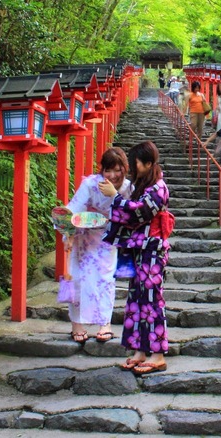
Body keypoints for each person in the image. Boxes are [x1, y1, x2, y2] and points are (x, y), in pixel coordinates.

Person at [101, 141, 171, 375]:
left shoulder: (158, 187)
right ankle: (140, 350)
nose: (133, 167)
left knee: (151, 300)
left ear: (148, 163)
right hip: (139, 249)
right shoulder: (144, 185)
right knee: (136, 299)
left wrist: (115, 197)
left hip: (152, 248)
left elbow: (140, 211)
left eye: (136, 163)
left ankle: (158, 354)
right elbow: (132, 212)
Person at [63, 147, 132, 343]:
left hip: (107, 237)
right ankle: (76, 323)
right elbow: (73, 209)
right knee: (77, 278)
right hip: (83, 236)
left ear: (125, 168)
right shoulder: (90, 184)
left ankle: (105, 323)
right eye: (107, 170)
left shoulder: (128, 188)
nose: (112, 175)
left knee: (106, 279)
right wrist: (68, 233)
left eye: (117, 170)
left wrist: (115, 197)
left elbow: (132, 214)